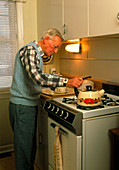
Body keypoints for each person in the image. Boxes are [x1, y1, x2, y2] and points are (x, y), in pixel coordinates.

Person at [9, 28, 83, 170]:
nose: (56, 51)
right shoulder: (30, 50)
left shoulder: (35, 52)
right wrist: (67, 82)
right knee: (24, 151)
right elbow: (38, 78)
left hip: (25, 105)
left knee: (28, 148)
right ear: (45, 40)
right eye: (55, 47)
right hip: (22, 107)